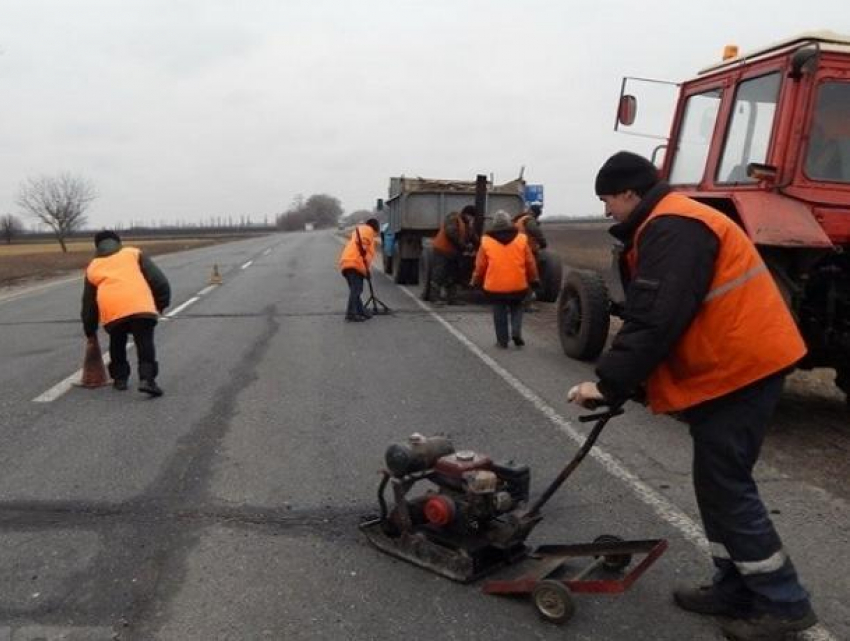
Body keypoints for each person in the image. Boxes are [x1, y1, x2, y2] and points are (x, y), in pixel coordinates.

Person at [567, 151, 816, 640]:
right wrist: (634, 384)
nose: (605, 212)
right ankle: (735, 584)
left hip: (742, 368)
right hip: (727, 368)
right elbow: (669, 317)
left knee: (727, 483)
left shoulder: (674, 225)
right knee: (714, 482)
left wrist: (609, 384)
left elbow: (656, 316)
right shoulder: (668, 222)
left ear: (631, 193)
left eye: (608, 200)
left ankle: (783, 601)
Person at [81, 230, 171, 396]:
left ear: (97, 246)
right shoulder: (133, 254)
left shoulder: (93, 266)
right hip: (140, 305)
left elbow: (89, 303)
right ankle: (147, 380)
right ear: (118, 242)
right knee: (144, 340)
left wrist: (90, 329)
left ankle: (120, 379)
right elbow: (158, 280)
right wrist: (162, 303)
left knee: (117, 340)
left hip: (112, 309)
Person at [470, 210, 539, 348]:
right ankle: (516, 332)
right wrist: (534, 279)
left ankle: (502, 341)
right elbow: (530, 263)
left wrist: (475, 281)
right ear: (509, 223)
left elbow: (480, 266)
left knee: (499, 311)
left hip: (495, 287)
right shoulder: (521, 239)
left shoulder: (486, 241)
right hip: (518, 285)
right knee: (517, 307)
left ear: (494, 225)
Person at [431, 205, 476, 304]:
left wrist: (479, 245)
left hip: (453, 253)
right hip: (442, 250)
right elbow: (451, 234)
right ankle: (435, 298)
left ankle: (452, 298)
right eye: (471, 216)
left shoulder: (466, 224)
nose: (471, 219)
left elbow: (472, 237)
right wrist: (464, 246)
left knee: (453, 276)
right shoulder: (453, 218)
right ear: (466, 214)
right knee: (439, 274)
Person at [338, 218, 380, 322]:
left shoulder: (360, 230)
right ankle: (351, 314)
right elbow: (363, 245)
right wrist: (365, 246)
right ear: (375, 228)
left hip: (348, 262)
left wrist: (366, 271)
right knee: (356, 290)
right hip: (354, 262)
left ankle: (361, 311)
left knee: (356, 290)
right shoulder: (368, 230)